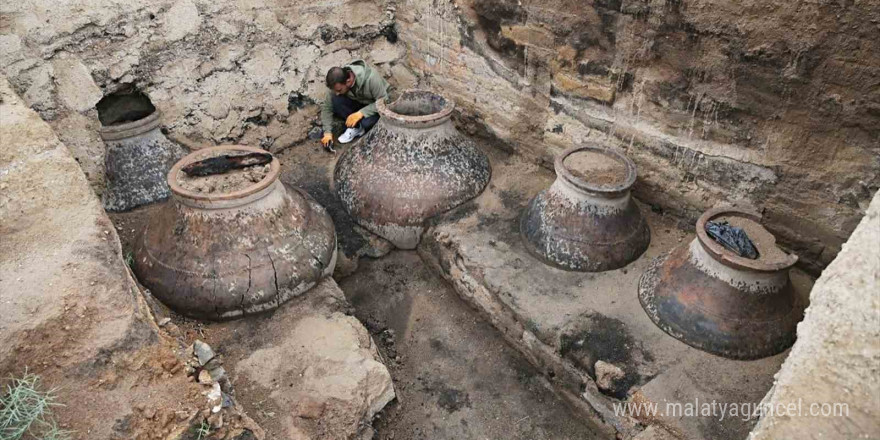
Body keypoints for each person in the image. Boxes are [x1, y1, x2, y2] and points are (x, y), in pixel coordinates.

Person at [320, 59, 391, 148]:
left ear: (348, 81)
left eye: (339, 90)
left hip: (375, 104)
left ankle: (361, 127)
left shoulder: (371, 78)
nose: (337, 92)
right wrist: (327, 133)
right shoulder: (337, 83)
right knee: (335, 99)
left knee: (367, 123)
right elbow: (326, 108)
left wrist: (362, 113)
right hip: (358, 101)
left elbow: (384, 101)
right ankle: (355, 127)